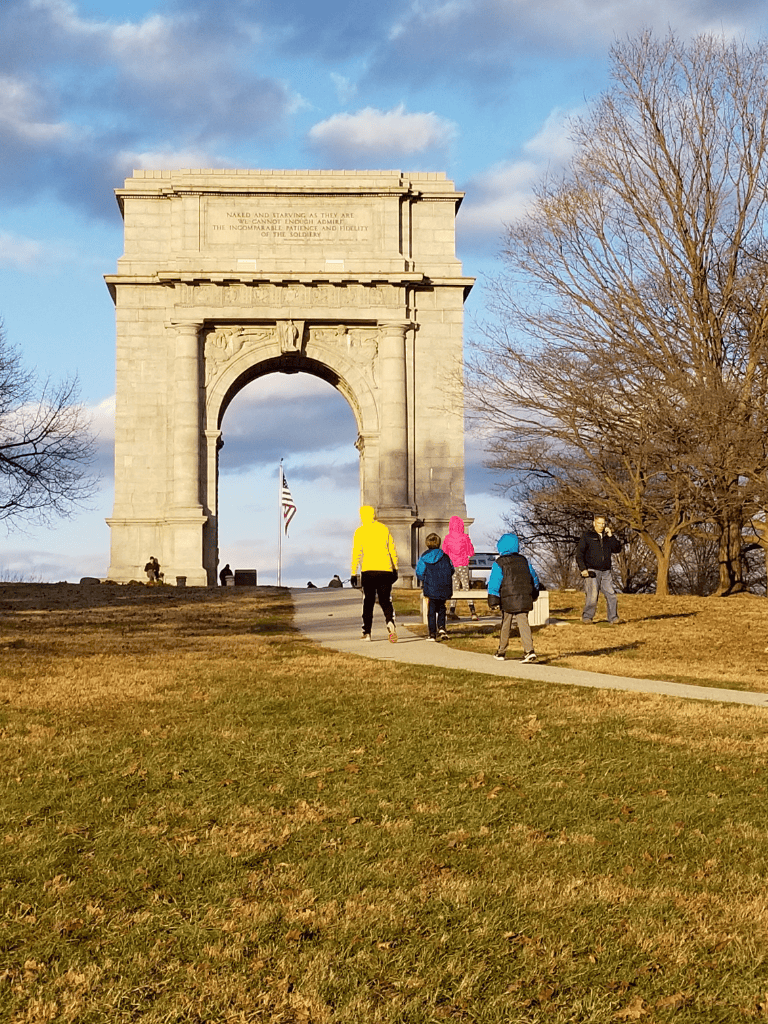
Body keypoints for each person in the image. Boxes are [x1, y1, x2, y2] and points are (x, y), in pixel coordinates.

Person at [487, 533, 541, 663]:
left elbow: (495, 581)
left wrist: (493, 597)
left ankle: (501, 651)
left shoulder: (499, 562)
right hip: (523, 596)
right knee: (524, 623)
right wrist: (535, 591)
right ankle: (529, 650)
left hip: (507, 598)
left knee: (506, 624)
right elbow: (533, 577)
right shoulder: (523, 561)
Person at [350, 505, 398, 642]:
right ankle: (390, 622)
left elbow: (356, 553)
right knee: (385, 600)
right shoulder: (383, 529)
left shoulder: (360, 531)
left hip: (369, 570)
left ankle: (367, 632)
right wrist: (395, 567)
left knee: (368, 602)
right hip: (385, 569)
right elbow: (392, 549)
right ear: (374, 515)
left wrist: (354, 572)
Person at [575, 514, 623, 624]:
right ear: (594, 523)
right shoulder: (587, 536)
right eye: (599, 523)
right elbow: (579, 554)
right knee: (592, 596)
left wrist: (611, 535)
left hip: (606, 571)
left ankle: (613, 618)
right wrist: (583, 569)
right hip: (592, 571)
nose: (601, 526)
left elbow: (617, 549)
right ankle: (587, 617)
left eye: (603, 524)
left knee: (611, 595)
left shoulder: (607, 538)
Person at [416, 533, 454, 641]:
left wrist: (425, 579)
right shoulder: (445, 556)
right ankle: (442, 627)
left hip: (431, 586)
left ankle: (432, 633)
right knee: (442, 606)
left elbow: (419, 572)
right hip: (444, 586)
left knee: (431, 610)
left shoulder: (424, 557)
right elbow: (452, 569)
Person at [442, 516, 478, 621]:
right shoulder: (465, 537)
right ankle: (473, 612)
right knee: (466, 587)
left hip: (452, 566)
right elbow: (471, 552)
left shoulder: (447, 538)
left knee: (454, 588)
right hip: (463, 564)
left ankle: (451, 611)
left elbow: (445, 552)